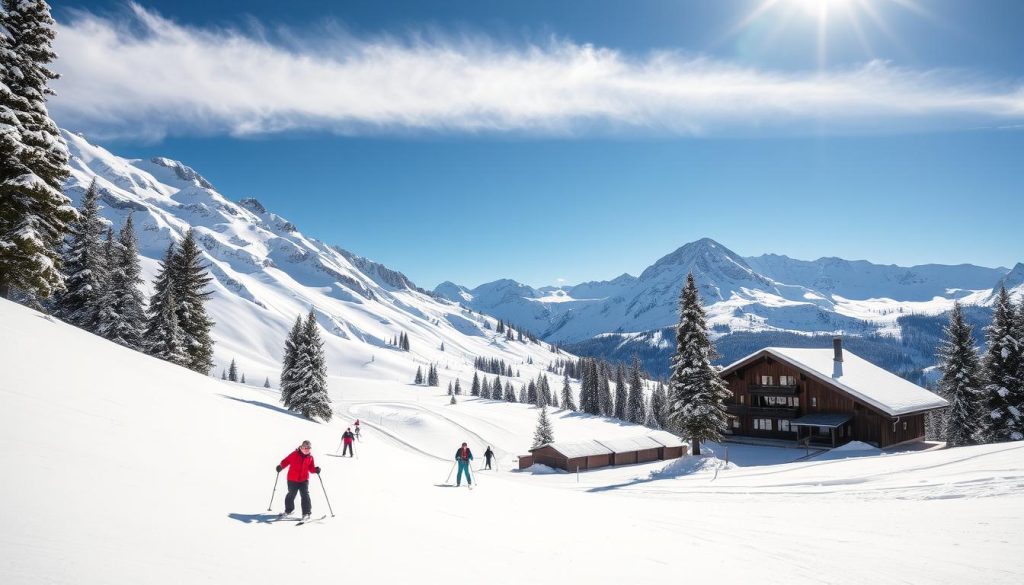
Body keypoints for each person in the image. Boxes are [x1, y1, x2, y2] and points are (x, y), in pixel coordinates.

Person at [276, 440, 320, 520]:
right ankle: (289, 510)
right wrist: (281, 466)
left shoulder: (310, 457)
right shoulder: (294, 454)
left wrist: (315, 470)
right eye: (305, 448)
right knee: (291, 494)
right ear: (302, 447)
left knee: (305, 495)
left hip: (304, 479)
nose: (307, 450)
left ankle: (306, 513)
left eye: (309, 448)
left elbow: (311, 468)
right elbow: (286, 461)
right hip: (292, 479)